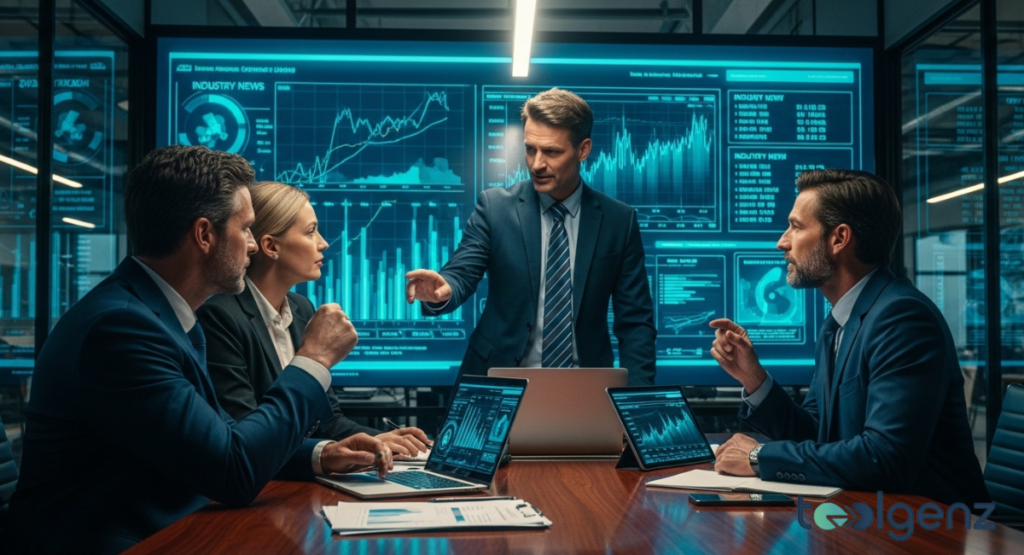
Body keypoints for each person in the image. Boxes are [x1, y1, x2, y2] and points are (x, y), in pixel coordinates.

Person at [3, 146, 394, 555]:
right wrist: (313, 360)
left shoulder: (165, 318)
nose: (253, 246)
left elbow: (223, 442)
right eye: (244, 229)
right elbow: (233, 471)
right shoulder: (121, 330)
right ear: (204, 235)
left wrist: (322, 455)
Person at [710, 169, 989, 506]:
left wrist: (759, 457)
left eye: (796, 227)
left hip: (930, 528)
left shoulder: (902, 318)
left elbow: (885, 457)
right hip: (869, 518)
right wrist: (753, 378)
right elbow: (816, 431)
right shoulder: (839, 322)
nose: (782, 242)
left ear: (839, 239)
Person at [405, 88, 656, 385]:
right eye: (530, 149)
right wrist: (443, 290)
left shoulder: (619, 221)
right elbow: (461, 273)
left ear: (583, 149)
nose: (536, 164)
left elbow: (636, 323)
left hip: (584, 389)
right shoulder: (495, 207)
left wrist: (635, 405)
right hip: (498, 383)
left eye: (551, 152)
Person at [197, 181, 430, 456]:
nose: (324, 243)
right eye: (311, 232)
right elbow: (247, 435)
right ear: (271, 246)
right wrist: (325, 454)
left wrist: (383, 440)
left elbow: (328, 420)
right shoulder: (220, 316)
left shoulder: (302, 308)